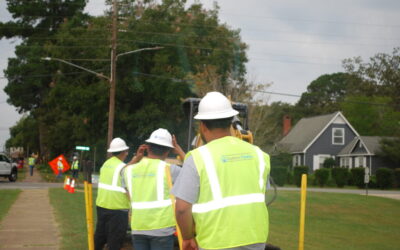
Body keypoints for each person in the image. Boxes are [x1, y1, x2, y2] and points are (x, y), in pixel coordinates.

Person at [171, 91, 271, 250]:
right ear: (231, 122)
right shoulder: (260, 155)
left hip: (215, 242)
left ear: (202, 126)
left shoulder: (197, 158)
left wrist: (188, 237)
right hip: (255, 240)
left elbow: (182, 209)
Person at [123, 128, 185, 250]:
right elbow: (194, 169)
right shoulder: (171, 170)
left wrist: (136, 159)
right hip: (162, 228)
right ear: (168, 151)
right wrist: (179, 149)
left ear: (148, 148)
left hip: (138, 227)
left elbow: (121, 174)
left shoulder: (129, 170)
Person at [94, 137, 144, 250]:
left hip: (102, 207)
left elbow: (123, 169)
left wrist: (136, 159)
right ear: (122, 152)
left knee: (100, 238)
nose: (126, 154)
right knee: (115, 242)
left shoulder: (106, 165)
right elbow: (126, 175)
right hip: (118, 210)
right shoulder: (122, 168)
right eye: (126, 151)